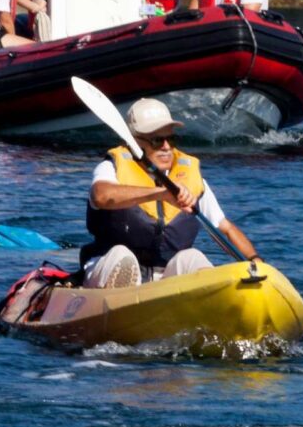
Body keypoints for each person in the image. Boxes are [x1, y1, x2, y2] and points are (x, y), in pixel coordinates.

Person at [79, 98, 259, 288]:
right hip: (108, 268)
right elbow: (101, 196)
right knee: (122, 257)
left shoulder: (191, 179)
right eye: (157, 140)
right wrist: (160, 193)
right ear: (135, 142)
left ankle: (208, 297)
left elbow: (225, 228)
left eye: (170, 139)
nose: (166, 147)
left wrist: (254, 260)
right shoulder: (111, 167)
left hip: (164, 278)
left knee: (193, 258)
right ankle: (122, 296)